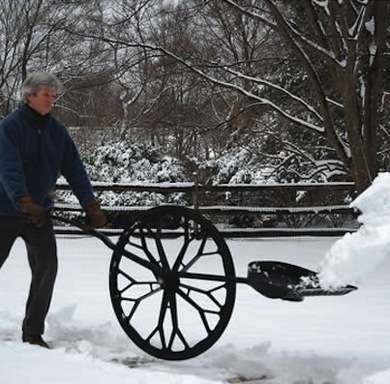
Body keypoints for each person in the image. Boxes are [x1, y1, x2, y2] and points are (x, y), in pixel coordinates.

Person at [0, 72, 107, 349]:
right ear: (29, 95)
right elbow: (8, 168)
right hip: (5, 211)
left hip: (39, 214)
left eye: (53, 94)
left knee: (47, 268)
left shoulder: (57, 132)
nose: (51, 99)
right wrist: (23, 201)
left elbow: (74, 169)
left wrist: (90, 205)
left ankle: (33, 332)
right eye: (46, 93)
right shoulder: (9, 128)